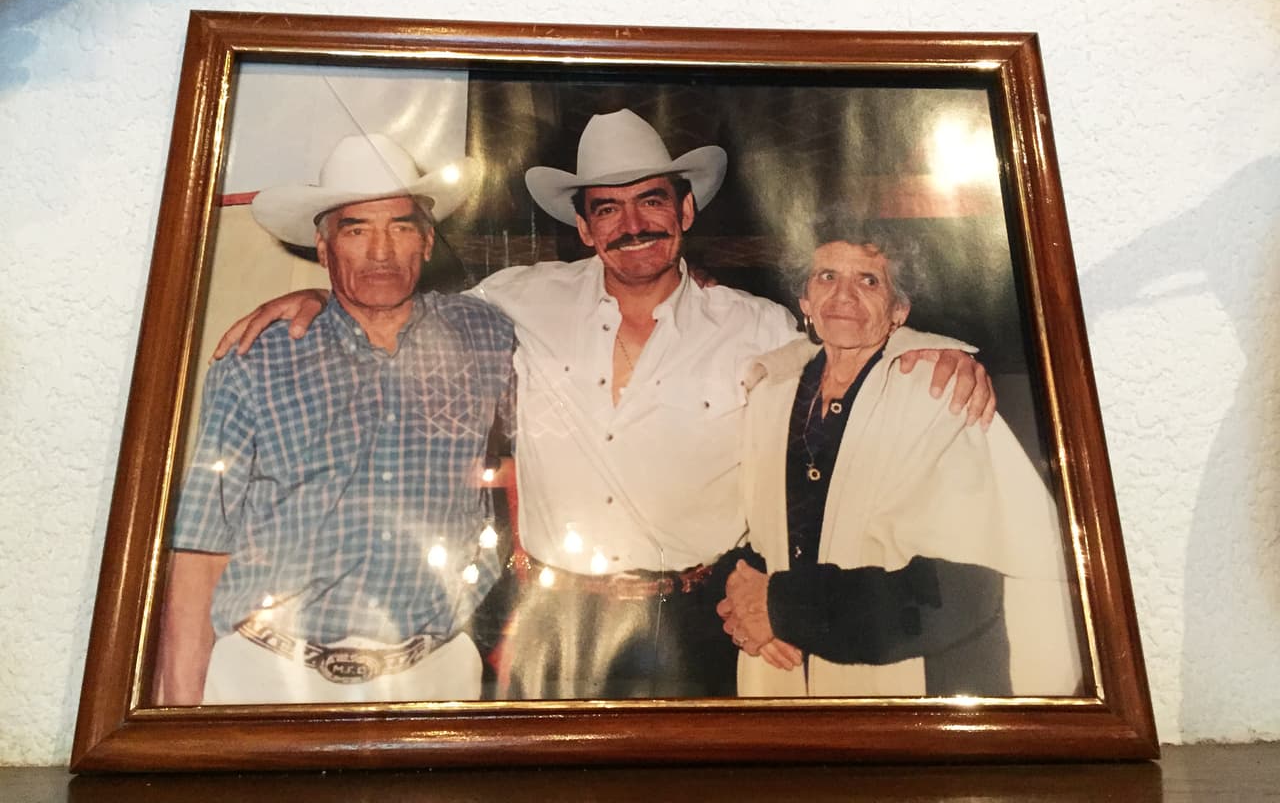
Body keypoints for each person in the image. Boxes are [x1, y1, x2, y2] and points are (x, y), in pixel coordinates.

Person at [214, 109, 995, 699]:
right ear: (584, 228)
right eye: (608, 210)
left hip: (700, 617)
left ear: (684, 212)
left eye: (651, 201)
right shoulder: (514, 301)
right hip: (550, 617)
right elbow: (394, 304)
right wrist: (313, 297)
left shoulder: (758, 327)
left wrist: (928, 346)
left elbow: (847, 346)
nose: (633, 225)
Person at [153, 133, 516, 706]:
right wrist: (178, 707)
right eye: (356, 230)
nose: (381, 252)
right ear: (323, 249)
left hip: (435, 672)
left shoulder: (486, 333)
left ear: (427, 241)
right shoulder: (257, 358)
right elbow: (200, 545)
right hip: (266, 676)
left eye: (400, 227)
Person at [717, 215, 1082, 697]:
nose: (843, 296)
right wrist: (745, 607)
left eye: (869, 280)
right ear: (804, 300)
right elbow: (752, 539)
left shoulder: (939, 392)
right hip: (785, 669)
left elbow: (959, 594)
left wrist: (783, 611)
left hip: (908, 682)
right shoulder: (770, 393)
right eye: (827, 276)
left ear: (899, 310)